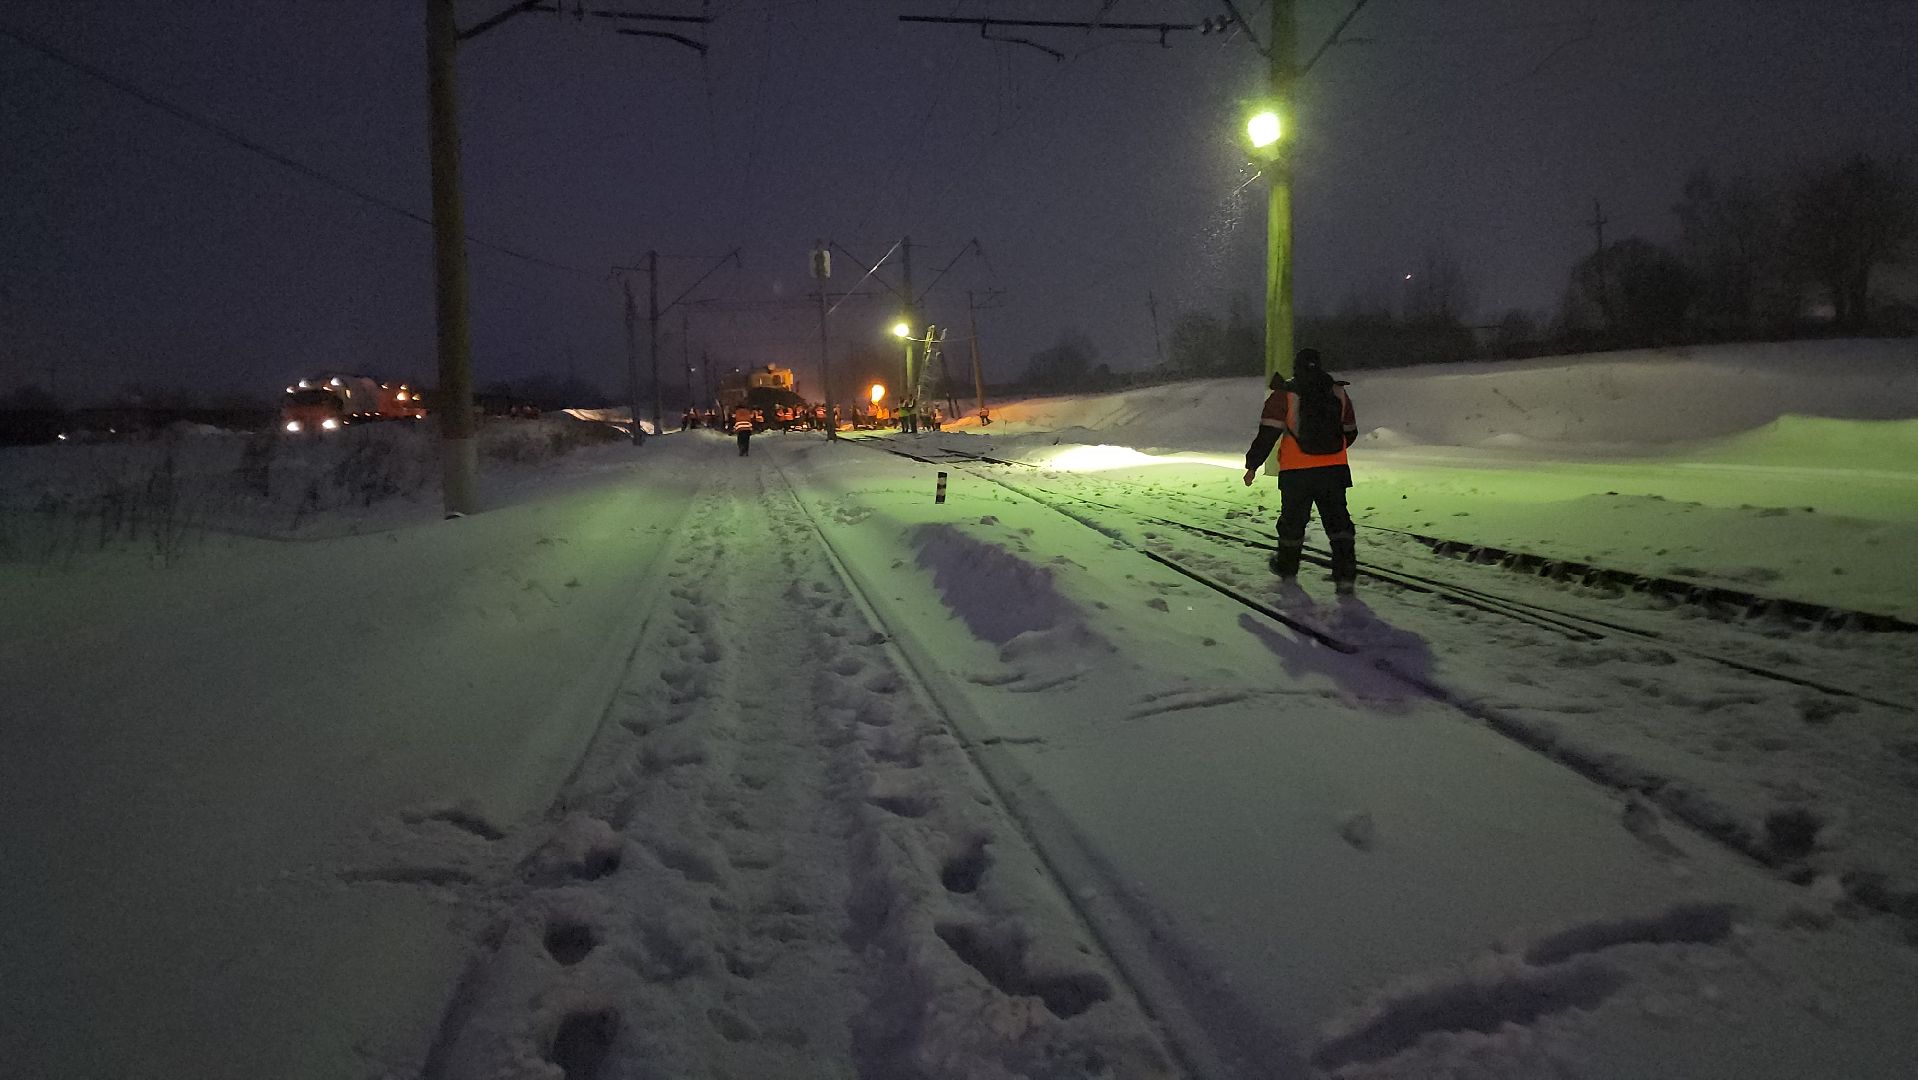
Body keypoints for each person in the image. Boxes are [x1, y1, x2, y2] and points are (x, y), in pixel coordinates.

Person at [1242, 348, 1360, 593]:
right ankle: (1345, 574)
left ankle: (1287, 568)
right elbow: (1350, 431)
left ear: (1296, 366)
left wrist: (1252, 465)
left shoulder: (1284, 394)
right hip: (1334, 470)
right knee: (1338, 522)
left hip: (1297, 472)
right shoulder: (1338, 391)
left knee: (1293, 524)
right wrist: (1331, 451)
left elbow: (1267, 434)